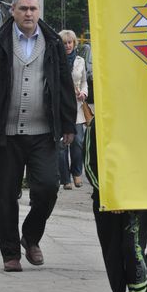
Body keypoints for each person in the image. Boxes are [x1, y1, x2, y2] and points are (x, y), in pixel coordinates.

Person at [0, 0, 77, 272]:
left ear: (39, 10)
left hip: (43, 131)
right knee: (7, 195)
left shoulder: (53, 42)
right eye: (23, 9)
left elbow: (64, 85)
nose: (29, 14)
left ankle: (30, 236)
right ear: (13, 11)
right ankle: (10, 254)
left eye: (33, 9)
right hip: (5, 133)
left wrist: (68, 123)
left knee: (47, 188)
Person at [85, 119, 147, 292]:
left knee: (133, 250)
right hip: (106, 204)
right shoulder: (97, 124)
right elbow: (89, 164)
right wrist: (110, 196)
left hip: (134, 200)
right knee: (113, 254)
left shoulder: (138, 119)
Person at [57, 30, 88, 190]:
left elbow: (84, 81)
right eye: (64, 43)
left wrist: (84, 92)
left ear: (74, 43)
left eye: (70, 42)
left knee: (78, 143)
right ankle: (65, 178)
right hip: (61, 107)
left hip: (76, 107)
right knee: (62, 145)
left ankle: (76, 172)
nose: (67, 45)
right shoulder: (56, 60)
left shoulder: (80, 60)